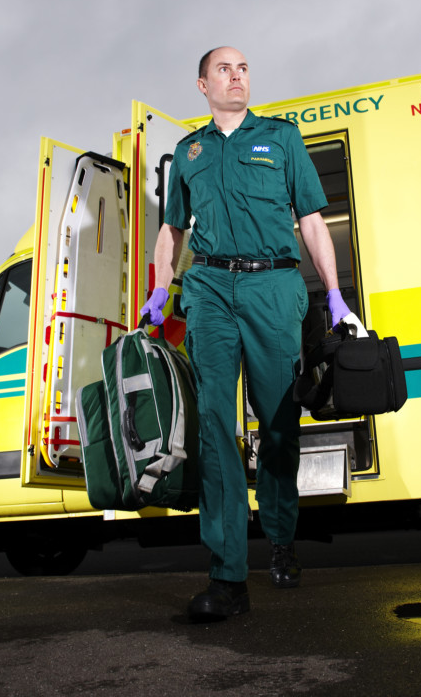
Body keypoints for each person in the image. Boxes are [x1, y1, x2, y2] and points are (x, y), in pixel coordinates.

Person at [140, 47, 352, 622]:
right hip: (208, 290)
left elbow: (311, 219)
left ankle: (281, 536)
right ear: (203, 85)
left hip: (273, 287)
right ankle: (228, 573)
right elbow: (171, 228)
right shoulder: (188, 151)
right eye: (224, 70)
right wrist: (162, 288)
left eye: (244, 68)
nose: (237, 76)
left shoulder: (281, 139)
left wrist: (334, 295)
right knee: (214, 426)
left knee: (279, 422)